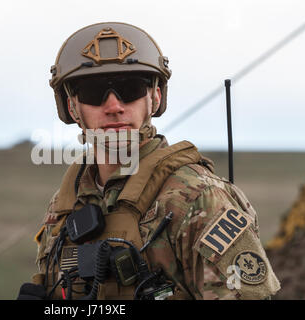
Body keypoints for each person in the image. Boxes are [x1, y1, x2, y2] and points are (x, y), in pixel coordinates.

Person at [18, 22, 280, 300]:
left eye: (130, 89)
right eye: (94, 92)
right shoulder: (66, 205)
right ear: (72, 106)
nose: (114, 106)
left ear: (154, 98)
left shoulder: (197, 198)